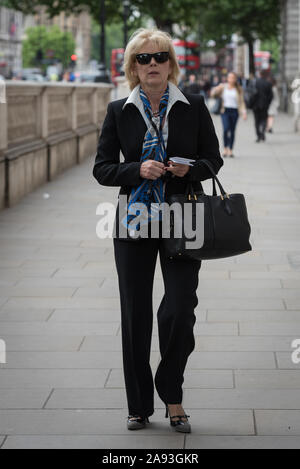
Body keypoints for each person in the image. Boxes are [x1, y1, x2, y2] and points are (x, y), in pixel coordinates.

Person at [92, 28, 223, 433]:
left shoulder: (193, 105)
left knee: (180, 308)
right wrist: (136, 169)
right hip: (133, 218)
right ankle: (138, 404)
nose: (153, 64)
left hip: (183, 215)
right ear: (132, 66)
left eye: (160, 56)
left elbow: (213, 161)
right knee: (135, 313)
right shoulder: (119, 110)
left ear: (171, 63)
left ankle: (172, 390)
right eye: (144, 58)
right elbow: (102, 169)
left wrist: (191, 169)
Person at [210, 71, 247, 158]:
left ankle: (230, 149)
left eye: (233, 78)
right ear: (227, 78)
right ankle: (225, 148)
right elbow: (213, 95)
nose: (231, 79)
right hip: (225, 111)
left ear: (235, 79)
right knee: (226, 129)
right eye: (229, 77)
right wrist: (216, 89)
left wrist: (244, 112)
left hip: (235, 111)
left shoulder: (239, 89)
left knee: (232, 130)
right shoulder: (223, 87)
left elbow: (241, 102)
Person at [251, 69, 273, 142]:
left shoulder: (255, 82)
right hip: (264, 105)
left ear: (259, 74)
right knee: (263, 120)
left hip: (255, 105)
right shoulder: (268, 83)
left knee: (257, 121)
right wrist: (268, 103)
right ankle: (262, 132)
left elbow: (251, 94)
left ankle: (258, 135)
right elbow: (271, 96)